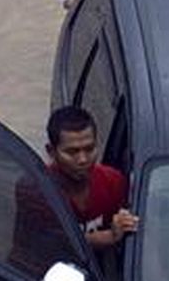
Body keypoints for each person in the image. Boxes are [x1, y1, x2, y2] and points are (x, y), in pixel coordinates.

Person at [43, 105, 138, 249]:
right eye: (72, 152)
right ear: (51, 152)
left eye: (89, 149)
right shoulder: (36, 189)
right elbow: (47, 243)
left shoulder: (113, 182)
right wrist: (108, 237)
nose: (83, 159)